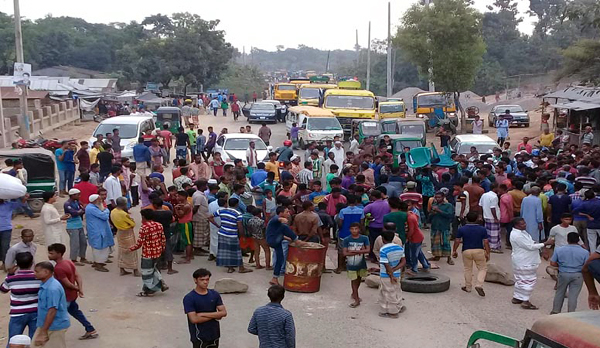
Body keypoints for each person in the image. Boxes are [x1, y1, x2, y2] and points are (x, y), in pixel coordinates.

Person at [47, 243, 98, 340]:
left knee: (56, 316)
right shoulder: (68, 262)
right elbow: (77, 276)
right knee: (75, 312)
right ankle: (90, 329)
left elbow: (67, 283)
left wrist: (77, 288)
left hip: (64, 296)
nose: (49, 255)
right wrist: (79, 289)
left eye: (51, 253)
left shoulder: (58, 268)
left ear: (59, 253)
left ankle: (52, 336)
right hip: (72, 295)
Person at [510, 217, 554, 310]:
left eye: (524, 223)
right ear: (516, 225)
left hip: (523, 260)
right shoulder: (518, 235)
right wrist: (545, 243)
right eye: (521, 224)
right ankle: (525, 301)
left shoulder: (522, 232)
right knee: (528, 280)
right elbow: (530, 246)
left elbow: (531, 242)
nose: (524, 225)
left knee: (520, 279)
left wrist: (542, 250)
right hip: (525, 261)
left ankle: (517, 297)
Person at [1, 252, 41, 341]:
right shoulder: (38, 278)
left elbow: (3, 290)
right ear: (32, 263)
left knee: (13, 341)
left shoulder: (11, 279)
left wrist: (10, 274)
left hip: (17, 313)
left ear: (17, 264)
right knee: (34, 341)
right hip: (35, 311)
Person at [183, 268, 227, 348]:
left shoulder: (214, 294)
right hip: (199, 337)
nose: (205, 282)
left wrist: (202, 314)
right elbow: (194, 319)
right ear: (195, 280)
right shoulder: (189, 298)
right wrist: (216, 315)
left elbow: (223, 313)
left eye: (207, 279)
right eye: (202, 280)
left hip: (214, 334)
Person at [209, 198, 253, 274]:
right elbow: (240, 227)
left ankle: (230, 268)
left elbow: (210, 217)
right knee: (237, 252)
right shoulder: (238, 214)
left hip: (222, 234)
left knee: (227, 252)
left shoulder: (221, 211)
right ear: (237, 204)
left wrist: (217, 225)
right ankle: (241, 268)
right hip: (232, 234)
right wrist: (242, 236)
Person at [130, 209, 168, 297]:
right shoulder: (159, 225)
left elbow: (140, 243)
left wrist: (131, 249)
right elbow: (163, 239)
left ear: (143, 217)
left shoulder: (144, 227)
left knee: (147, 273)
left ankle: (148, 290)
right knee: (154, 269)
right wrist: (162, 248)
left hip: (148, 254)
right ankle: (160, 284)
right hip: (157, 252)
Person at [32, 261, 70, 348]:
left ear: (46, 272)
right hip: (45, 324)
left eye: (37, 271)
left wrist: (43, 332)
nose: (34, 273)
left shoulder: (52, 289)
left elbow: (52, 311)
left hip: (55, 326)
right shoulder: (45, 284)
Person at [266, 207, 307, 286]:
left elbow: (278, 233)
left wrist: (288, 238)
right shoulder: (276, 219)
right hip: (272, 241)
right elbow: (276, 219)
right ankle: (297, 240)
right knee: (284, 227)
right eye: (287, 212)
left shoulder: (279, 224)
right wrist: (281, 219)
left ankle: (274, 278)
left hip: (276, 241)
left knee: (280, 259)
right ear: (281, 213)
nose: (288, 214)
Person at [550, 232, 589, 314]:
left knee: (560, 292)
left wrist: (560, 265)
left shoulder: (559, 250)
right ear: (578, 240)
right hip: (578, 274)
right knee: (573, 295)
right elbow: (587, 266)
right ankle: (571, 313)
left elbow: (552, 263)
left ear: (567, 240)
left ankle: (555, 311)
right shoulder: (585, 252)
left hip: (563, 273)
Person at [452, 212, 490, 297]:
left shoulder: (462, 229)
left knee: (468, 269)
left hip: (466, 251)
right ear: (477, 219)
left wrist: (454, 250)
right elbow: (486, 242)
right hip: (479, 250)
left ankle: (468, 287)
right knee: (482, 268)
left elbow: (457, 240)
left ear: (466, 219)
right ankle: (479, 285)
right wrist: (488, 252)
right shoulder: (482, 229)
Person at [378, 229, 406, 318]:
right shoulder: (399, 247)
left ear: (383, 239)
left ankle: (392, 312)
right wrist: (395, 270)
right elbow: (403, 261)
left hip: (386, 274)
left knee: (387, 292)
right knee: (397, 289)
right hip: (397, 273)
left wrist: (391, 274)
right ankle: (399, 306)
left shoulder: (383, 250)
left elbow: (386, 265)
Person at [343, 222, 370, 308]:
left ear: (359, 229)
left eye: (356, 229)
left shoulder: (364, 238)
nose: (354, 231)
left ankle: (354, 293)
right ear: (349, 230)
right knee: (353, 280)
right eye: (352, 229)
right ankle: (356, 299)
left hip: (361, 263)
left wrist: (354, 252)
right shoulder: (346, 239)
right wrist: (360, 251)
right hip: (351, 264)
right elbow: (344, 253)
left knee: (359, 278)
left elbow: (368, 250)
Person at [111, 197, 140, 276]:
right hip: (127, 232)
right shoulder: (123, 214)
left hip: (119, 232)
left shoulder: (113, 211)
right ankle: (135, 270)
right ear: (124, 204)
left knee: (121, 250)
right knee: (132, 250)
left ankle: (122, 269)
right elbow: (133, 224)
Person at [0, 196, 31, 271]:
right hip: (5, 229)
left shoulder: (9, 204)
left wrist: (24, 198)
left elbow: (21, 204)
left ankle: (5, 263)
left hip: (6, 229)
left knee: (5, 247)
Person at [85, 194, 115, 272]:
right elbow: (104, 216)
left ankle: (99, 261)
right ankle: (99, 264)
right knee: (99, 247)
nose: (100, 200)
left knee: (101, 246)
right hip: (97, 230)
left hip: (99, 229)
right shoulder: (92, 208)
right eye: (98, 199)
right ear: (94, 200)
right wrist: (106, 210)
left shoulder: (94, 207)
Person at [63, 189, 89, 266]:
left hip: (79, 224)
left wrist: (81, 210)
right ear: (73, 195)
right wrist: (81, 210)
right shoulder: (67, 204)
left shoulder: (76, 202)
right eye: (78, 195)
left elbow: (82, 210)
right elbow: (74, 213)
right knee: (75, 243)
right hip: (72, 226)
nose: (79, 196)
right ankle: (73, 259)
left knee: (83, 242)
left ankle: (82, 257)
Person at [429, 191, 455, 265]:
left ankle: (449, 258)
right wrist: (432, 213)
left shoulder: (448, 205)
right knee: (435, 242)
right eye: (436, 197)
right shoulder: (434, 205)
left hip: (444, 226)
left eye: (439, 197)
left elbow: (449, 215)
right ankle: (437, 256)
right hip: (435, 226)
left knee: (446, 242)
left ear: (443, 197)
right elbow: (429, 216)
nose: (437, 199)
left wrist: (439, 211)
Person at [364, 190, 390, 261]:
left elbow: (362, 212)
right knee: (383, 241)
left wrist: (367, 217)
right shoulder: (387, 204)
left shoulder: (371, 205)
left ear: (373, 197)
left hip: (374, 226)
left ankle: (373, 256)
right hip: (385, 226)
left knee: (373, 242)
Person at [480, 183, 502, 252]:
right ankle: (493, 247)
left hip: (486, 215)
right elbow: (493, 208)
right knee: (494, 233)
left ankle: (487, 245)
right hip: (492, 217)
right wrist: (495, 218)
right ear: (495, 188)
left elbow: (480, 205)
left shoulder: (484, 195)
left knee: (488, 232)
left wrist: (480, 215)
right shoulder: (494, 197)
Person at [192, 180, 211, 254]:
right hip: (199, 217)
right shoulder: (198, 196)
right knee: (199, 234)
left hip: (203, 216)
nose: (206, 187)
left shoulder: (200, 194)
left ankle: (199, 248)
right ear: (202, 186)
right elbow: (196, 207)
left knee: (202, 233)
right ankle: (196, 249)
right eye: (206, 185)